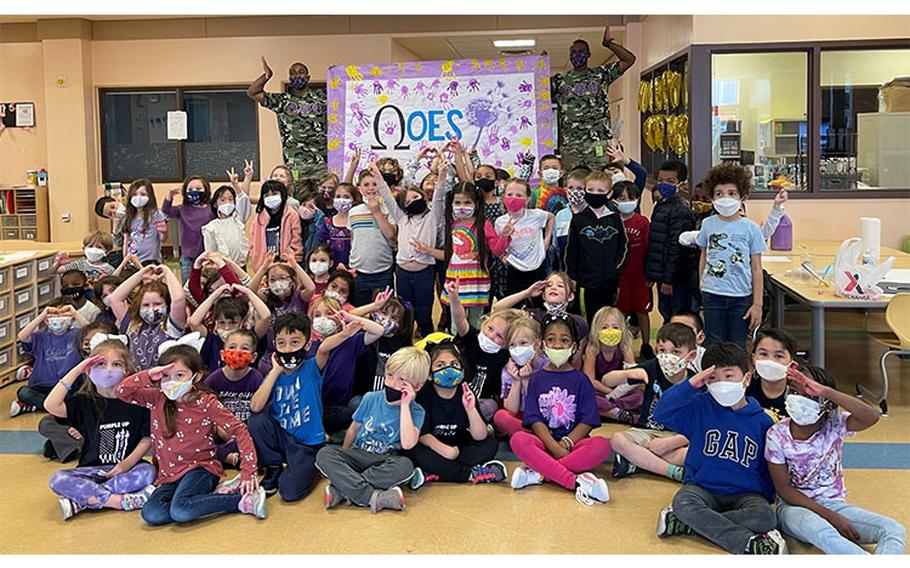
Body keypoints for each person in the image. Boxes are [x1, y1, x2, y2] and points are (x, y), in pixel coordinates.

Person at [654, 342, 785, 555]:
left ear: (747, 378)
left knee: (765, 517)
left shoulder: (763, 422)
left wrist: (767, 495)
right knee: (684, 503)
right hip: (703, 488)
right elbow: (661, 413)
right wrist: (690, 385)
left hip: (746, 494)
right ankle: (747, 543)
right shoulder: (700, 406)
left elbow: (766, 467)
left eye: (729, 376)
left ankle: (688, 524)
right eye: (713, 378)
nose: (721, 383)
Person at [117, 344, 266, 524]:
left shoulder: (205, 402)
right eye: (166, 376)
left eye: (180, 375)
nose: (172, 381)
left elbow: (240, 429)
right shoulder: (156, 397)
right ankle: (209, 497)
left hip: (201, 469)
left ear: (196, 377)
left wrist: (248, 471)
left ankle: (241, 501)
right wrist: (149, 375)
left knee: (181, 511)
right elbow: (122, 392)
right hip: (170, 475)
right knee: (151, 514)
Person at [767, 365, 906, 554]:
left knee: (893, 530)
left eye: (809, 396)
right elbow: (784, 489)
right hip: (794, 508)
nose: (799, 400)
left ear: (828, 404)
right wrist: (831, 517)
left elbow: (871, 417)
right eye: (794, 392)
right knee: (820, 530)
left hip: (834, 504)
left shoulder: (835, 424)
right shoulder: (777, 434)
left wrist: (826, 391)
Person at [44, 338, 155, 520]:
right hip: (90, 471)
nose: (108, 369)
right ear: (89, 370)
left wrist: (126, 464)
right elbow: (51, 405)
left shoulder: (138, 401)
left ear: (126, 370)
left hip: (126, 468)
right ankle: (117, 501)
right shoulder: (84, 402)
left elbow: (146, 438)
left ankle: (82, 501)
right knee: (58, 479)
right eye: (101, 364)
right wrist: (78, 369)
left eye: (116, 364)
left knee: (148, 472)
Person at [509, 314, 612, 506]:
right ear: (541, 345)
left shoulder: (582, 380)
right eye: (551, 340)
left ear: (574, 346)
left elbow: (587, 420)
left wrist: (566, 443)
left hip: (573, 445)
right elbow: (534, 419)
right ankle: (575, 481)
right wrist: (552, 446)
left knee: (601, 445)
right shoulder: (537, 379)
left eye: (564, 340)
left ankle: (540, 473)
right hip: (543, 444)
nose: (557, 345)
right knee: (519, 440)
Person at [247, 312, 352, 501]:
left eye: (294, 342)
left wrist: (344, 334)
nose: (287, 349)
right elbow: (255, 407)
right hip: (282, 436)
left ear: (307, 344)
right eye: (281, 343)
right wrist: (275, 371)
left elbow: (324, 349)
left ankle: (312, 464)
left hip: (306, 444)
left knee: (289, 492)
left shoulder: (312, 367)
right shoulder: (273, 374)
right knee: (256, 419)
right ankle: (274, 466)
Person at [315, 346, 429, 513]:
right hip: (358, 454)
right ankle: (374, 498)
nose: (392, 383)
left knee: (405, 466)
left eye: (402, 381)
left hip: (385, 461)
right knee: (324, 454)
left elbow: (408, 444)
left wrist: (405, 405)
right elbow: (353, 429)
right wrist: (345, 456)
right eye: (390, 375)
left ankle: (343, 490)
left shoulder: (416, 411)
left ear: (416, 387)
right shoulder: (370, 398)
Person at [407, 341, 506, 488]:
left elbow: (480, 436)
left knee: (490, 444)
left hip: (459, 445)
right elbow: (422, 435)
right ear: (429, 374)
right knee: (412, 452)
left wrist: (471, 409)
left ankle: (436, 472)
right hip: (432, 445)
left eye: (454, 365)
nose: (448, 369)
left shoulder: (465, 391)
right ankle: (469, 474)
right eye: (440, 365)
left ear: (462, 371)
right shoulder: (423, 394)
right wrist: (446, 451)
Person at [608, 322, 697, 481]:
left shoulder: (695, 383)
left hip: (677, 437)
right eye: (662, 350)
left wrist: (669, 443)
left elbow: (699, 428)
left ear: (691, 356)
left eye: (676, 352)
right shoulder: (653, 367)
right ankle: (672, 472)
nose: (668, 357)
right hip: (646, 432)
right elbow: (607, 380)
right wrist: (628, 373)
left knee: (694, 454)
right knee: (617, 440)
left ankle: (638, 462)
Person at [374, 160, 448, 337]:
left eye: (416, 196)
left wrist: (442, 176)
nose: (413, 201)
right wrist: (377, 173)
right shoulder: (401, 218)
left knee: (424, 314)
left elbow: (438, 197)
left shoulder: (433, 217)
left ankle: (429, 344)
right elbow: (386, 195)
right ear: (403, 207)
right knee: (405, 313)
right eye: (408, 200)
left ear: (423, 196)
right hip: (403, 273)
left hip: (424, 273)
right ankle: (405, 345)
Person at [550, 18, 636, 171]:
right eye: (574, 52)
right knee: (573, 184)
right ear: (569, 56)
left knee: (599, 182)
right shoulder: (559, 80)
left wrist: (609, 44)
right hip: (571, 145)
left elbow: (629, 59)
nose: (577, 55)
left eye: (581, 52)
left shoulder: (601, 75)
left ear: (588, 54)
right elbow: (537, 94)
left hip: (597, 143)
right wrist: (541, 66)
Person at [697, 164, 766, 350]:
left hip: (741, 297)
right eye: (719, 193)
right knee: (714, 344)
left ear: (742, 197)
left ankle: (737, 379)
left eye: (732, 193)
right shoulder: (707, 224)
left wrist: (757, 304)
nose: (725, 198)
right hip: (713, 295)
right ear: (711, 197)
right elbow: (704, 255)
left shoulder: (751, 228)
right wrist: (702, 285)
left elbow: (757, 267)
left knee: (737, 345)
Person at [435, 182, 511, 330]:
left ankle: (474, 349)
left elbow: (496, 250)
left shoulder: (484, 225)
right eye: (457, 202)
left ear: (476, 203)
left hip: (476, 281)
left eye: (467, 202)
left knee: (476, 323)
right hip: (454, 281)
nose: (462, 206)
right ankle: (456, 350)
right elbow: (449, 254)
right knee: (456, 324)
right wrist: (427, 250)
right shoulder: (451, 225)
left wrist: (504, 236)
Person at [247, 57, 327, 186]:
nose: (297, 76)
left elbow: (344, 96)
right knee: (295, 200)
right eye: (293, 73)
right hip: (295, 164)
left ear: (308, 77)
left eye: (301, 72)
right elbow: (253, 92)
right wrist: (267, 76)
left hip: (321, 163)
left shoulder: (322, 97)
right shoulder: (282, 101)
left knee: (321, 200)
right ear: (289, 78)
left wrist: (337, 77)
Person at [448, 280, 520, 421]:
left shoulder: (505, 356)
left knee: (491, 406)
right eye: (490, 328)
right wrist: (454, 298)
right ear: (484, 323)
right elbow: (460, 319)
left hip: (480, 402)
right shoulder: (472, 340)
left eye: (499, 336)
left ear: (507, 343)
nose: (491, 336)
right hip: (454, 395)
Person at [565, 171, 627, 322]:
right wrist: (572, 276)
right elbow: (571, 250)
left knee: (606, 319)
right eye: (591, 190)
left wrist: (614, 269)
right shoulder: (578, 219)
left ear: (609, 193)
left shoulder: (614, 219)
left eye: (600, 191)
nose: (595, 194)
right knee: (587, 320)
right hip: (585, 283)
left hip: (609, 282)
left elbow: (623, 247)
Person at [11, 301, 88, 417]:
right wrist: (42, 315)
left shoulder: (77, 335)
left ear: (71, 320)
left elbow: (92, 332)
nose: (58, 319)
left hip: (66, 386)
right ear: (46, 321)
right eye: (54, 316)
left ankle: (36, 405)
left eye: (63, 316)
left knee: (78, 398)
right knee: (23, 392)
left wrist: (75, 313)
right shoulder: (41, 336)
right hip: (40, 385)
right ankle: (53, 406)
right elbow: (22, 336)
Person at [204, 329, 264, 470]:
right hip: (220, 430)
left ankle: (225, 456)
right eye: (232, 347)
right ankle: (231, 457)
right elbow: (205, 410)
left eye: (244, 348)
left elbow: (260, 411)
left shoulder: (257, 378)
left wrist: (239, 435)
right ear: (222, 354)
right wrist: (221, 432)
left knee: (255, 440)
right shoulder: (213, 379)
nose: (237, 352)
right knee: (198, 440)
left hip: (246, 432)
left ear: (253, 357)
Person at [108, 264, 186, 370]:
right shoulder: (133, 325)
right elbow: (115, 299)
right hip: (138, 382)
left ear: (167, 304)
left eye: (157, 304)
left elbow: (179, 299)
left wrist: (167, 272)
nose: (151, 309)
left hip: (165, 380)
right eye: (146, 305)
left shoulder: (171, 326)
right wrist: (141, 274)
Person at [645, 161, 696, 325]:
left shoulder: (681, 210)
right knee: (665, 312)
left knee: (677, 316)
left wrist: (669, 279)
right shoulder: (661, 204)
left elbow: (677, 248)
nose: (663, 184)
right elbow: (657, 243)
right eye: (661, 180)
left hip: (675, 278)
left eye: (670, 181)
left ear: (681, 184)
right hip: (662, 275)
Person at [612, 180, 652, 357]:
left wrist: (650, 273)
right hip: (619, 277)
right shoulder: (612, 221)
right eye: (621, 198)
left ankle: (645, 345)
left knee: (643, 311)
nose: (626, 201)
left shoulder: (642, 222)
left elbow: (650, 248)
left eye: (631, 198)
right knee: (619, 312)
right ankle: (620, 346)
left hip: (640, 275)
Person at [347, 165, 396, 307]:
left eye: (375, 184)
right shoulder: (354, 212)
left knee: (384, 309)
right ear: (359, 188)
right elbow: (353, 238)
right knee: (360, 309)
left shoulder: (388, 209)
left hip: (383, 271)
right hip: (358, 272)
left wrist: (376, 212)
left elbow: (391, 234)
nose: (371, 188)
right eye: (366, 184)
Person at [496, 178, 554, 297]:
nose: (513, 198)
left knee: (538, 302)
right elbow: (498, 245)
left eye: (519, 195)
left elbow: (551, 217)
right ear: (503, 197)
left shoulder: (536, 215)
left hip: (537, 266)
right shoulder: (500, 222)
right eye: (510, 194)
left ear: (527, 199)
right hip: (514, 267)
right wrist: (502, 256)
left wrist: (547, 239)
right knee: (516, 302)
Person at [582, 306, 639, 424]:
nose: (610, 331)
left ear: (622, 329)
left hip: (621, 390)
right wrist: (609, 392)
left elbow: (634, 376)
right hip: (599, 390)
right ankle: (618, 414)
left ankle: (610, 409)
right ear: (596, 330)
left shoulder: (625, 347)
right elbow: (589, 379)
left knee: (639, 395)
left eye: (615, 327)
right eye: (604, 327)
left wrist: (617, 393)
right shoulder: (592, 349)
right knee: (588, 398)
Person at [493, 314, 548, 436]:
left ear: (537, 344)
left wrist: (527, 380)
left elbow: (541, 408)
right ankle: (537, 436)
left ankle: (539, 435)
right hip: (520, 417)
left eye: (523, 343)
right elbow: (511, 409)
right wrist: (516, 381)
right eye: (512, 345)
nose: (518, 349)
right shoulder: (509, 369)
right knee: (500, 416)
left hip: (541, 417)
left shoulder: (546, 365)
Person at [162, 176, 215, 282]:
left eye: (199, 189)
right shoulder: (182, 209)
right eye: (190, 189)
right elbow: (166, 210)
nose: (194, 192)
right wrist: (169, 196)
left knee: (207, 284)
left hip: (207, 256)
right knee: (188, 286)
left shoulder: (211, 209)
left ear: (206, 190)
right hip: (187, 257)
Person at [249, 180, 303, 272]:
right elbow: (253, 240)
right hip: (263, 265)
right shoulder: (259, 217)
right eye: (266, 195)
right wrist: (253, 256)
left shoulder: (292, 215)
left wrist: (293, 260)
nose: (271, 198)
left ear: (282, 194)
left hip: (286, 265)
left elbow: (296, 240)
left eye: (274, 194)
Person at [749, 328, 799, 421]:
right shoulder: (744, 391)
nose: (770, 360)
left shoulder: (800, 396)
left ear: (792, 365)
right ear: (754, 359)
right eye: (763, 354)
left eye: (779, 356)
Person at [202, 185, 251, 267]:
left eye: (231, 199)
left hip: (240, 266)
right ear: (215, 204)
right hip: (222, 268)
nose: (227, 203)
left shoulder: (238, 220)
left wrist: (235, 184)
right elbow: (210, 252)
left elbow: (244, 202)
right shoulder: (211, 227)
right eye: (222, 200)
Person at [122, 179, 168, 264]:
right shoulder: (128, 217)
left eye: (143, 194)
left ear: (150, 196)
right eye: (134, 194)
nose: (138, 197)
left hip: (151, 261)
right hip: (133, 261)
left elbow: (163, 239)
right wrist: (125, 260)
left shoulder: (157, 215)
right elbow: (126, 241)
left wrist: (164, 232)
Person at [316, 182, 358, 268]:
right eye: (338, 196)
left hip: (354, 266)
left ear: (353, 200)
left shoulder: (357, 221)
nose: (341, 200)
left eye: (346, 197)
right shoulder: (328, 223)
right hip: (332, 267)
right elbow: (322, 245)